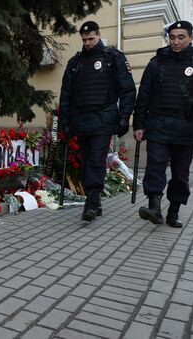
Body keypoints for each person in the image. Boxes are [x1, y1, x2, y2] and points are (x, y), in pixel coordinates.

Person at [133, 20, 193, 228]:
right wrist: (139, 124)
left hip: (185, 125)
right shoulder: (157, 62)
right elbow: (143, 95)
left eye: (180, 37)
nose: (175, 41)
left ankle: (173, 211)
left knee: (180, 172)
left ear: (190, 38)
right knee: (155, 166)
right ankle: (154, 207)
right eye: (172, 37)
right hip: (158, 123)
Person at [59, 20, 136, 221]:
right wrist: (64, 122)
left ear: (99, 35)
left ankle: (91, 202)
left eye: (91, 38)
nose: (87, 43)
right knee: (86, 163)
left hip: (104, 118)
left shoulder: (113, 58)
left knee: (95, 159)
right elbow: (66, 94)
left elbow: (127, 90)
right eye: (84, 39)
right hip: (81, 120)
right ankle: (96, 201)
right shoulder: (75, 63)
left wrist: (125, 117)